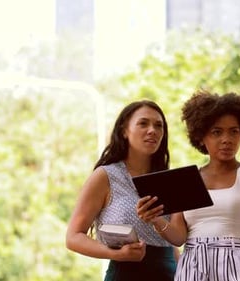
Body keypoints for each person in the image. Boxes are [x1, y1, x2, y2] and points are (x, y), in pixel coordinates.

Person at [137, 90, 240, 281]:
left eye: (234, 131)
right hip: (193, 265)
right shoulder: (187, 179)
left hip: (236, 265)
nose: (226, 139)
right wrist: (155, 219)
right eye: (217, 132)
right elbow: (178, 237)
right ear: (202, 137)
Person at [65, 100, 178, 281]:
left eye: (159, 126)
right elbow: (73, 237)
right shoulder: (105, 176)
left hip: (169, 274)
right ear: (124, 130)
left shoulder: (168, 180)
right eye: (143, 123)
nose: (153, 130)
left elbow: (170, 243)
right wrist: (117, 254)